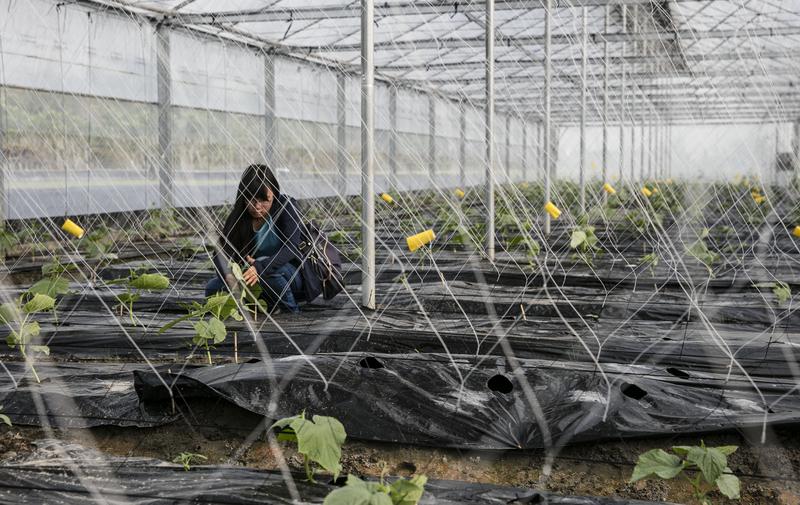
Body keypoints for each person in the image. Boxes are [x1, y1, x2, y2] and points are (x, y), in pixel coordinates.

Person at [206, 164, 321, 314]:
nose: (257, 206)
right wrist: (227, 274)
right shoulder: (239, 215)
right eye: (251, 200)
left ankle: (291, 312)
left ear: (273, 193)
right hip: (254, 276)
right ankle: (268, 304)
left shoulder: (286, 207)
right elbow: (221, 251)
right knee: (212, 289)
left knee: (270, 274)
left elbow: (291, 249)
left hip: (291, 276)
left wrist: (260, 267)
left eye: (264, 200)